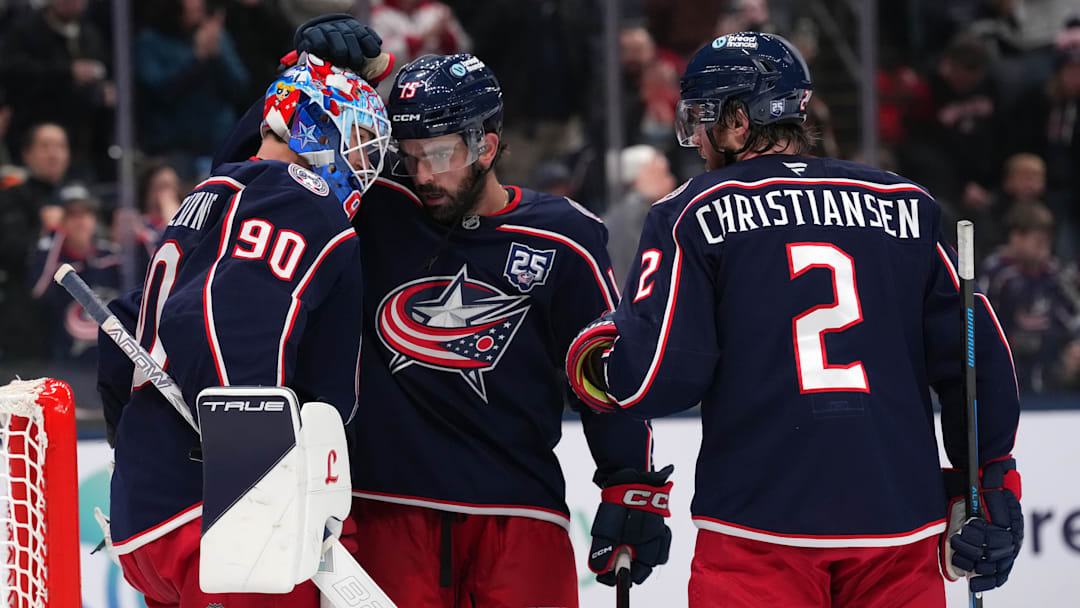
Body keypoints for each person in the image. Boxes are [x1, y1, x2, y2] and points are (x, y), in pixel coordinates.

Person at [566, 32, 1023, 607]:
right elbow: (974, 355)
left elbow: (656, 379)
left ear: (736, 120)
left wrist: (600, 354)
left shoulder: (691, 210)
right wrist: (995, 479)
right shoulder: (908, 202)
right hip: (898, 521)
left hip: (758, 526)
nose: (698, 142)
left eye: (702, 120)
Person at [336, 53, 669, 607]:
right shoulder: (373, 208)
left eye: (440, 155)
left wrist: (631, 484)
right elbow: (248, 178)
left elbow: (605, 373)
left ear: (487, 146)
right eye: (410, 155)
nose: (423, 175)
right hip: (385, 511)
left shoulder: (562, 237)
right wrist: (308, 77)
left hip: (519, 516)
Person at [95, 54, 390, 607]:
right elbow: (220, 317)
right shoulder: (304, 200)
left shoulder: (206, 196)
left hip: (145, 517)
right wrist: (255, 469)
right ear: (310, 125)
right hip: (227, 519)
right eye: (357, 140)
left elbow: (122, 334)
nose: (362, 163)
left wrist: (137, 448)